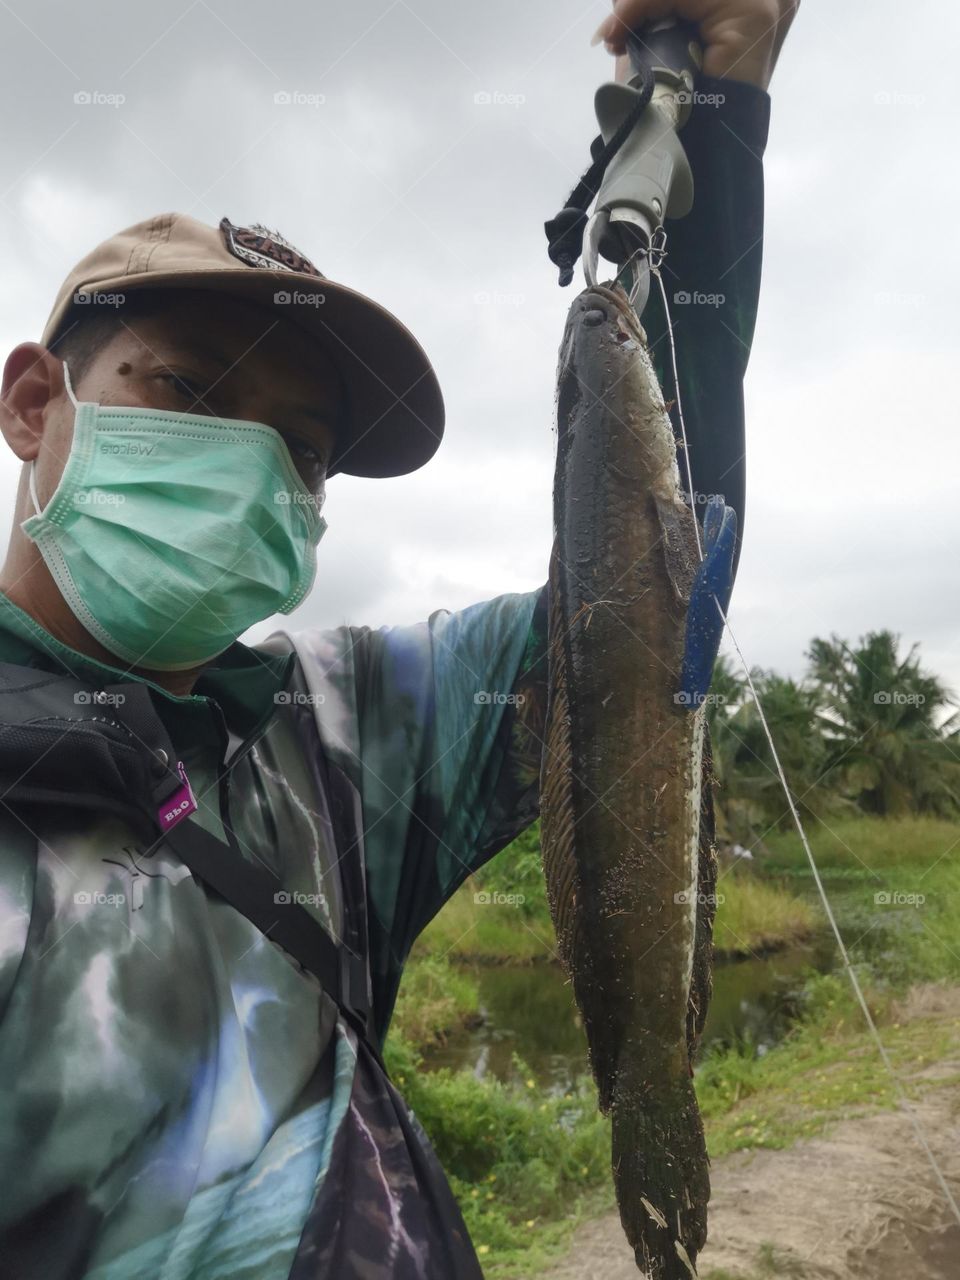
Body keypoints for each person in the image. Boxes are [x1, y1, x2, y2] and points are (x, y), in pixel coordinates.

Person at [0, 3, 796, 1276]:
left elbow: (660, 586)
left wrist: (714, 121)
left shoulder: (340, 730)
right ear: (37, 404)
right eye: (195, 391)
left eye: (304, 449)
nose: (259, 465)